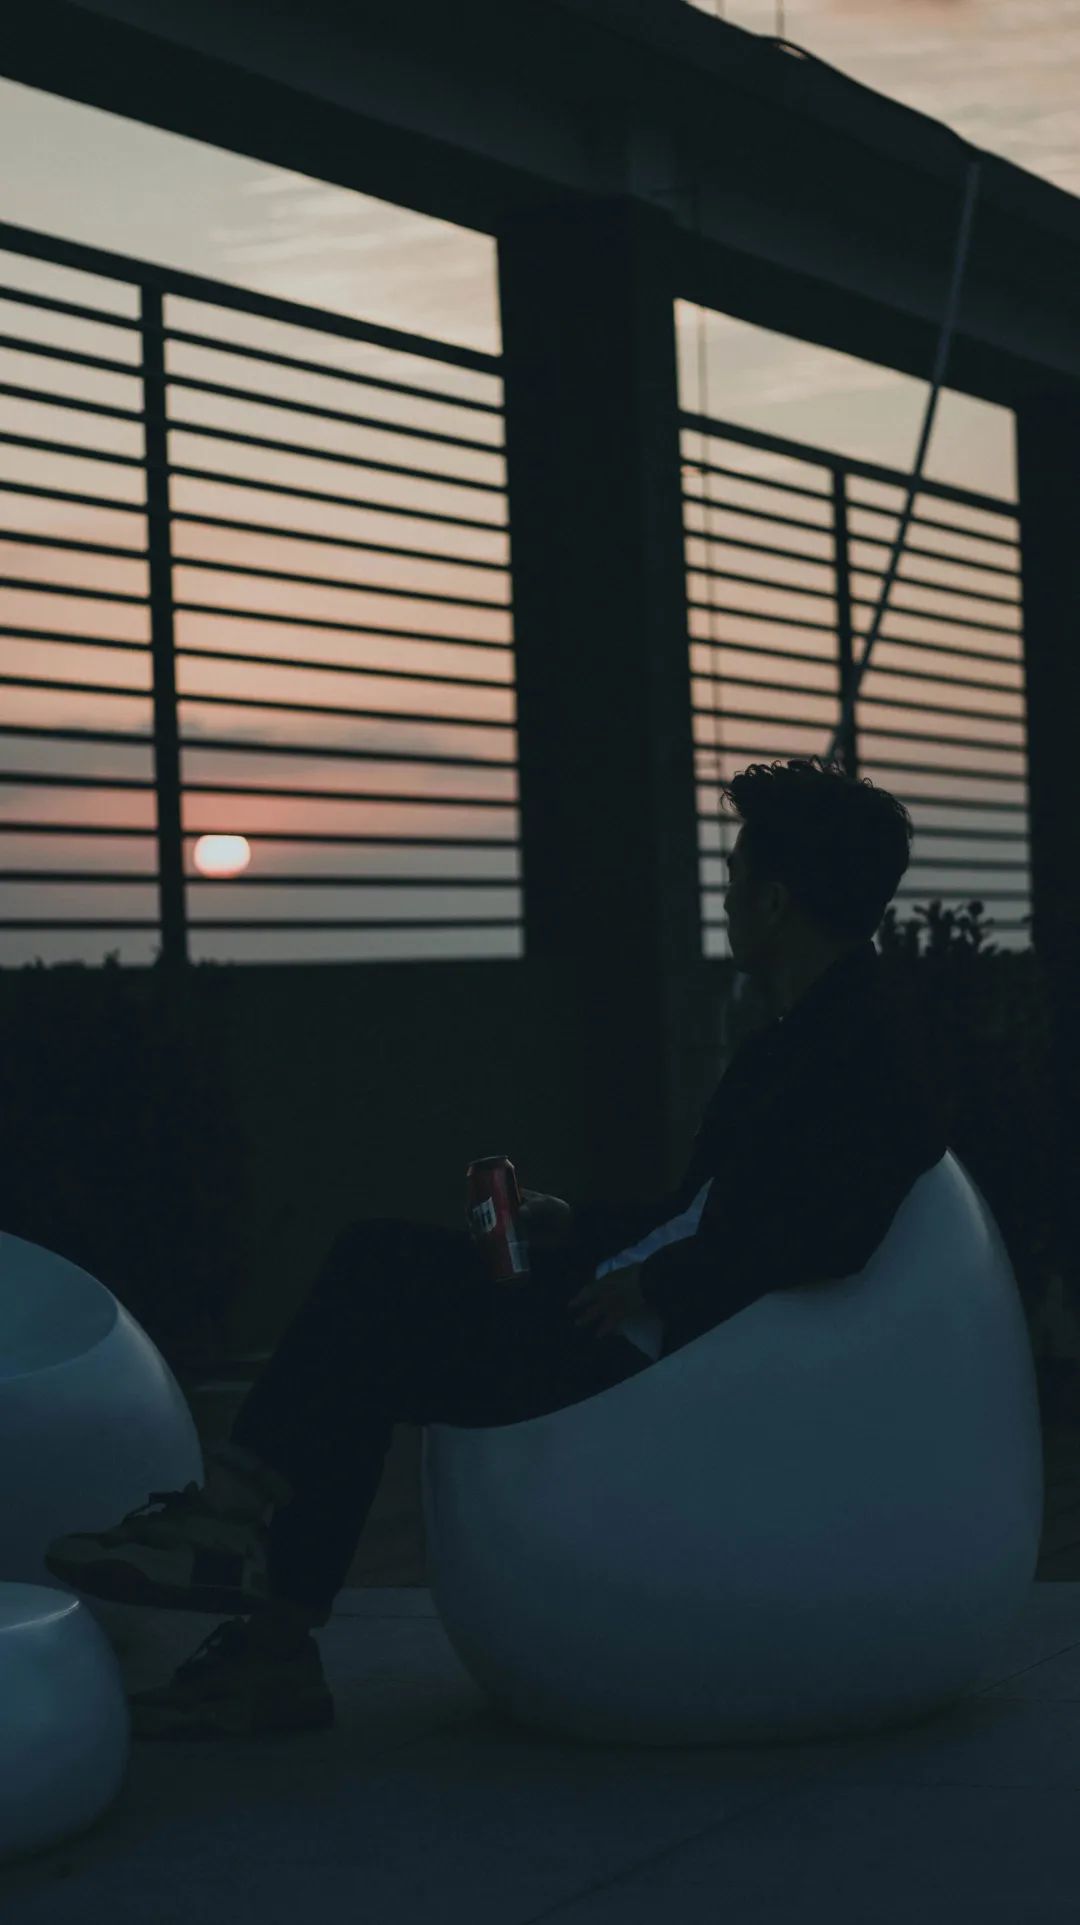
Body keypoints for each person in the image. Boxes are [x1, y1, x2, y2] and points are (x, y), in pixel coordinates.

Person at [44, 755, 948, 1740]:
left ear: (775, 900)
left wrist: (653, 1278)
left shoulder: (857, 1047)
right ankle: (250, 1580)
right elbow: (718, 1208)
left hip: (656, 1352)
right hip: (639, 1312)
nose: (726, 900)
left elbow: (832, 1228)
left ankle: (249, 1575)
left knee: (372, 1302)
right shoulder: (814, 1033)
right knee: (375, 1283)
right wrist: (584, 1226)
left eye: (735, 879)